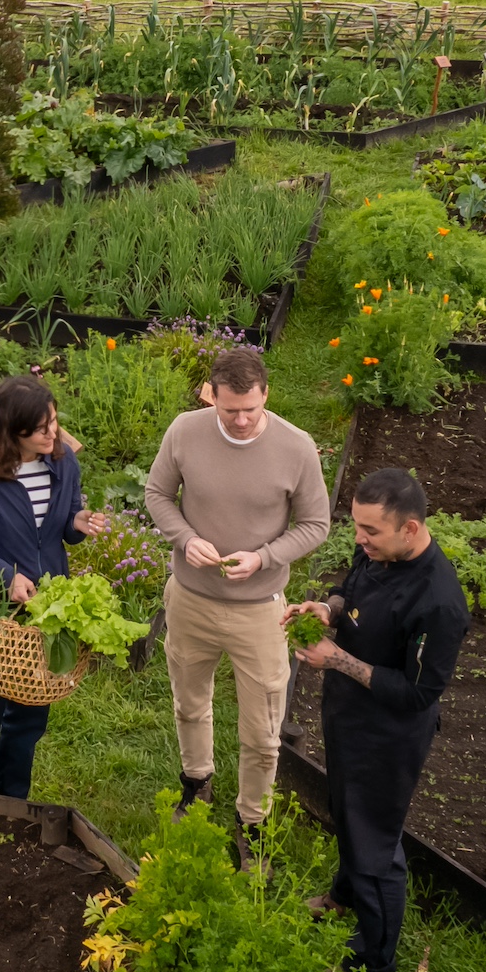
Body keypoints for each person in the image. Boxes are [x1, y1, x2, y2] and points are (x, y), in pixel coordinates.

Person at [138, 348, 332, 852]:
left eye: (251, 408)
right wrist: (184, 536)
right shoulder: (185, 431)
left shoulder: (297, 447)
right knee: (189, 702)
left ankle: (252, 823)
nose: (242, 420)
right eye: (230, 411)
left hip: (260, 608)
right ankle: (196, 782)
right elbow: (157, 494)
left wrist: (265, 558)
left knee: (264, 729)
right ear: (213, 397)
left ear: (266, 394)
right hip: (190, 598)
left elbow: (316, 525)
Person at [290, 465, 471, 972]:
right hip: (350, 717)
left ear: (410, 529)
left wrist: (336, 661)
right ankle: (344, 897)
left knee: (375, 842)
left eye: (370, 531)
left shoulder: (438, 603)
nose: (359, 539)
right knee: (348, 812)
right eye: (356, 527)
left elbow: (420, 693)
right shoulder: (374, 550)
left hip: (387, 738)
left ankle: (374, 963)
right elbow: (351, 591)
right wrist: (327, 609)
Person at [0, 374, 116, 798]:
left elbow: (64, 525)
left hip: (48, 606)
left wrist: (77, 524)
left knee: (31, 710)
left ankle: (15, 799)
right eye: (40, 428)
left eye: (54, 421)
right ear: (11, 430)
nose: (52, 432)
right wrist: (7, 575)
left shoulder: (63, 464)